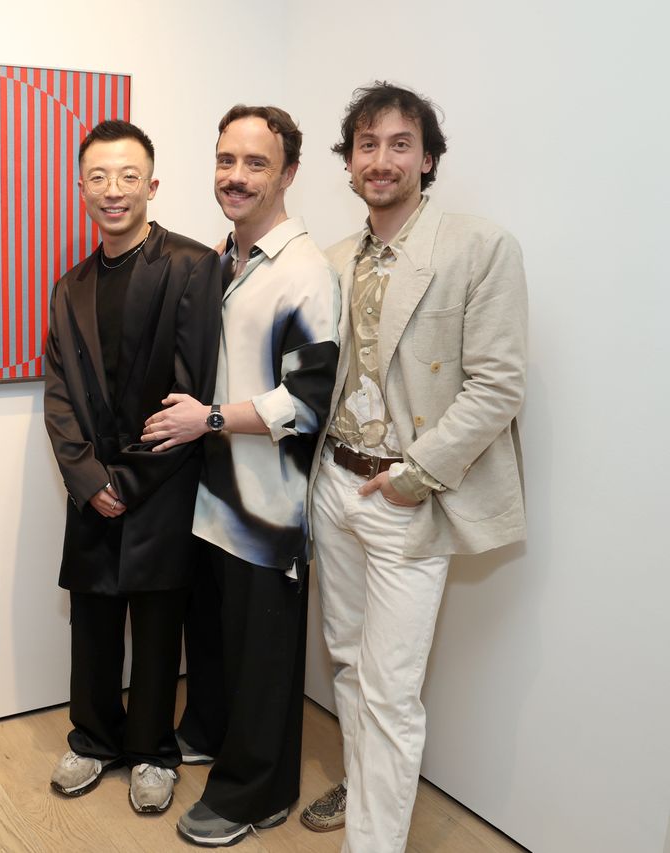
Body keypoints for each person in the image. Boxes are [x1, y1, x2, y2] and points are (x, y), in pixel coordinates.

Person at [299, 83, 527, 852]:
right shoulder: (331, 260)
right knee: (347, 664)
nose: (383, 159)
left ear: (428, 159)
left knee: (392, 689)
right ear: (350, 161)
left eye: (401, 144)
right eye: (368, 145)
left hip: (407, 496)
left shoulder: (478, 247)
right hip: (335, 484)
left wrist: (414, 476)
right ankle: (366, 794)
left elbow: (498, 383)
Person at [141, 105, 339, 846]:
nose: (236, 175)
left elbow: (309, 403)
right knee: (219, 641)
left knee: (263, 657)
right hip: (214, 500)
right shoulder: (225, 257)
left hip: (269, 507)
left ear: (288, 173)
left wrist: (210, 419)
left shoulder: (305, 273)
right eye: (227, 159)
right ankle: (213, 732)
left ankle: (257, 792)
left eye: (256, 163)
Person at [42, 120, 221, 815]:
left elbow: (191, 383)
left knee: (155, 626)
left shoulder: (191, 265)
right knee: (91, 622)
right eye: (97, 176)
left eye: (126, 177)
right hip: (93, 489)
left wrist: (133, 480)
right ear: (81, 184)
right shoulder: (69, 285)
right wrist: (89, 480)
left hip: (163, 482)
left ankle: (152, 750)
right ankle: (93, 739)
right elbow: (57, 395)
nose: (111, 190)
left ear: (151, 184)